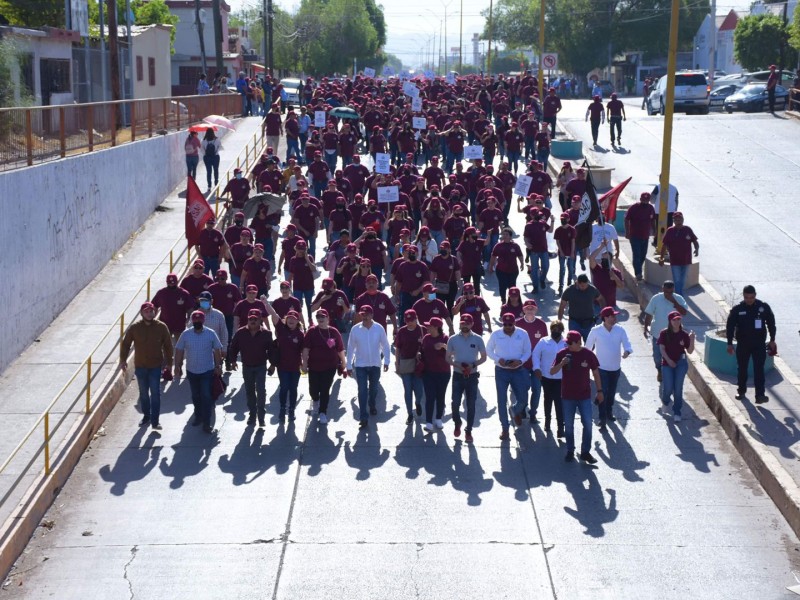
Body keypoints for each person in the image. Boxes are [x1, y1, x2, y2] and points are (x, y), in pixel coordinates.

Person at [550, 330, 603, 464]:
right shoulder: (562, 354)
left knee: (588, 424)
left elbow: (596, 373)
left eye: (570, 343)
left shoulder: (588, 354)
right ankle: (570, 450)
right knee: (568, 425)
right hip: (567, 396)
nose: (567, 346)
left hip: (584, 395)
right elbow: (552, 371)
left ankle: (585, 452)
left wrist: (600, 391)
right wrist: (562, 363)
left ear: (579, 342)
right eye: (566, 343)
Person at [120, 302, 174, 430]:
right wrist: (123, 360)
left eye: (151, 311)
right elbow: (126, 344)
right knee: (143, 393)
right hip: (140, 366)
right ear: (141, 313)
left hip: (155, 366)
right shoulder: (135, 328)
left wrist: (169, 364)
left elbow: (168, 346)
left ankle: (155, 421)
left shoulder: (161, 327)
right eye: (146, 312)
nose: (149, 314)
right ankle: (146, 416)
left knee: (155, 393)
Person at [174, 311, 224, 434]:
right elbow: (179, 350)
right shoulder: (186, 334)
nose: (197, 322)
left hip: (207, 370)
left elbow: (217, 349)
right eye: (195, 320)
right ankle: (198, 416)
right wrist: (177, 366)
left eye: (199, 320)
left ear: (203, 321)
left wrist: (218, 366)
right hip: (191, 371)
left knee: (206, 396)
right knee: (195, 396)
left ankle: (207, 423)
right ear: (192, 321)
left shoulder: (210, 334)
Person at [725, 285, 777, 404]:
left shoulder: (763, 307)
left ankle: (760, 395)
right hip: (743, 344)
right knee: (742, 369)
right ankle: (741, 391)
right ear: (743, 296)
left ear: (755, 295)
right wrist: (729, 343)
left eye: (752, 297)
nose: (749, 299)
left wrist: (773, 339)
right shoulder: (737, 309)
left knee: (759, 369)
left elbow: (771, 323)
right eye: (747, 297)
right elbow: (730, 326)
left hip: (759, 344)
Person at [585, 306, 632, 430]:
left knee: (611, 393)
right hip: (601, 369)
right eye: (612, 316)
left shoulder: (620, 330)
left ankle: (609, 411)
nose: (614, 318)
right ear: (605, 318)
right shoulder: (595, 331)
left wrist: (627, 351)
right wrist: (587, 363)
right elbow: (587, 348)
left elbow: (627, 343)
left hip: (615, 368)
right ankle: (602, 417)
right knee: (602, 392)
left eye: (615, 316)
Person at [487, 313, 532, 440]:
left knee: (523, 398)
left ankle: (515, 410)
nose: (507, 326)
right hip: (501, 371)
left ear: (514, 323)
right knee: (501, 400)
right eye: (504, 324)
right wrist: (497, 359)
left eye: (509, 324)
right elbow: (489, 350)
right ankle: (505, 428)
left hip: (518, 370)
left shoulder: (523, 334)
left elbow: (528, 350)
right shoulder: (496, 334)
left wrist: (520, 361)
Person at [227, 309, 274, 427]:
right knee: (249, 391)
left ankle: (261, 416)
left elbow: (272, 350)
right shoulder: (240, 332)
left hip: (261, 367)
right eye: (250, 319)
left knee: (261, 391)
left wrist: (273, 365)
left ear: (260, 320)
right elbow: (233, 347)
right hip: (247, 366)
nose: (253, 321)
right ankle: (252, 414)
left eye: (255, 319)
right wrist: (232, 361)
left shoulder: (267, 333)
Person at [346, 305, 391, 428]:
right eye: (362, 314)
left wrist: (387, 361)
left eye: (366, 314)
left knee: (374, 389)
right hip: (360, 365)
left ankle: (372, 404)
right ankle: (363, 417)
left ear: (372, 315)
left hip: (375, 365)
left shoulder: (379, 328)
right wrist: (348, 365)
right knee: (362, 390)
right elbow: (350, 348)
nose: (364, 317)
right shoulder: (355, 329)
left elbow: (385, 345)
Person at [446, 313, 487, 443]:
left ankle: (468, 430)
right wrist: (456, 364)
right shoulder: (452, 339)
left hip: (472, 376)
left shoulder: (478, 339)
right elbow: (447, 357)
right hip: (458, 374)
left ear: (472, 324)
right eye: (462, 323)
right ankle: (457, 422)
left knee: (471, 404)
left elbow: (484, 357)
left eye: (467, 323)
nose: (464, 325)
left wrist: (473, 365)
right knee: (455, 403)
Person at [301, 309, 346, 425]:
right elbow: (305, 349)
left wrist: (344, 364)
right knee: (313, 389)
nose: (320, 319)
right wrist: (304, 364)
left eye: (323, 316)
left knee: (325, 389)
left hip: (330, 366)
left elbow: (340, 349)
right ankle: (315, 400)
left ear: (328, 319)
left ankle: (323, 412)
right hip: (314, 366)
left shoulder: (334, 332)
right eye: (318, 317)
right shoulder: (312, 332)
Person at [643, 280, 688, 383]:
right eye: (666, 292)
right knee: (657, 357)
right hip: (657, 334)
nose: (668, 294)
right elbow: (649, 314)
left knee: (673, 356)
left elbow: (684, 312)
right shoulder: (656, 298)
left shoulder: (679, 299)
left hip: (674, 335)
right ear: (662, 289)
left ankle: (670, 375)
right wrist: (646, 328)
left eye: (671, 292)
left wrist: (674, 302)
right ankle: (660, 370)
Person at [657, 311, 695, 422]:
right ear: (670, 321)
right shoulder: (664, 333)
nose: (677, 321)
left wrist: (692, 339)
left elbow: (690, 351)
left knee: (678, 388)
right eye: (674, 320)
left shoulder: (684, 334)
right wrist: (669, 361)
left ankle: (677, 411)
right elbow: (662, 349)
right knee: (668, 388)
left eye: (678, 319)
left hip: (681, 363)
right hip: (667, 363)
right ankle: (665, 401)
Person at [532, 320, 567, 437]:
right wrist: (536, 368)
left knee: (559, 401)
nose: (555, 331)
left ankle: (560, 427)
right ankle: (547, 420)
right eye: (553, 329)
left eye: (558, 329)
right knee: (548, 399)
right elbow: (536, 354)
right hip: (546, 376)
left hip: (561, 377)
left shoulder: (566, 343)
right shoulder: (544, 341)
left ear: (562, 330)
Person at [516, 299, 548, 422]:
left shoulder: (541, 324)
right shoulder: (517, 324)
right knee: (523, 389)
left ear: (536, 310)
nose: (530, 310)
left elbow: (546, 343)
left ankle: (533, 413)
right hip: (522, 364)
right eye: (527, 308)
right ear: (523, 310)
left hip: (537, 365)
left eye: (532, 308)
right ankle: (522, 409)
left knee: (537, 390)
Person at [271, 309, 305, 422]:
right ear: (286, 320)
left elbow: (304, 351)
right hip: (282, 366)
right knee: (284, 387)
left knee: (293, 388)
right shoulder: (281, 329)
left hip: (295, 367)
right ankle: (282, 408)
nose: (291, 320)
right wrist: (266, 303)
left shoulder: (300, 335)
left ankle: (291, 410)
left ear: (297, 322)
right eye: (289, 318)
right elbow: (274, 314)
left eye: (294, 319)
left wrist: (304, 364)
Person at [419, 317, 451, 432]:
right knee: (429, 397)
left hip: (443, 372)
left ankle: (438, 418)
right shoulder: (426, 338)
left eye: (430, 326)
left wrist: (443, 346)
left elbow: (453, 353)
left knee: (440, 396)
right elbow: (422, 351)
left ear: (436, 327)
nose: (427, 327)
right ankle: (428, 422)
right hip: (428, 372)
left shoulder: (445, 338)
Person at [657, 211, 698, 298]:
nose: (678, 221)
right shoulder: (670, 230)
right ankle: (680, 297)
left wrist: (697, 249)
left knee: (682, 280)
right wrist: (661, 257)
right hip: (675, 260)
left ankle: (678, 296)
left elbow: (694, 240)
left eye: (680, 219)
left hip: (686, 260)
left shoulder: (687, 229)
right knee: (677, 280)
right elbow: (664, 244)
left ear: (683, 220)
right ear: (674, 221)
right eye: (676, 220)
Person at [395, 309, 425, 424]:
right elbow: (398, 348)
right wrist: (397, 363)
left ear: (416, 319)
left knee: (419, 390)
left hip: (418, 364)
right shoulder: (402, 331)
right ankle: (410, 414)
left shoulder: (422, 329)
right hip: (405, 363)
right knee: (407, 390)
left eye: (411, 320)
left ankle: (417, 403)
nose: (409, 323)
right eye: (407, 321)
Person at [557, 274, 604, 341]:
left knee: (590, 345)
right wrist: (559, 321)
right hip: (574, 322)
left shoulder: (592, 289)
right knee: (572, 344)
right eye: (582, 286)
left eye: (586, 285)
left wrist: (603, 312)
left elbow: (601, 299)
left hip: (589, 322)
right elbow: (562, 306)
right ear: (577, 283)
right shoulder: (569, 290)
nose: (584, 287)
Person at [489, 227, 525, 304]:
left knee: (512, 287)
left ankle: (512, 302)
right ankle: (503, 300)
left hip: (513, 270)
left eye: (506, 234)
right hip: (501, 270)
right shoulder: (498, 246)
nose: (504, 236)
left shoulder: (515, 246)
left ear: (510, 236)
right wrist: (491, 266)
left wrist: (522, 263)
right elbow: (493, 256)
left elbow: (520, 255)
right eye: (503, 234)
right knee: (502, 286)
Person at [624, 192, 656, 281]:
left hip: (645, 236)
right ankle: (638, 273)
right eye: (643, 200)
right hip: (634, 236)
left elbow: (653, 220)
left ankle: (638, 269)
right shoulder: (634, 208)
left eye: (647, 200)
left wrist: (655, 230)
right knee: (637, 255)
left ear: (649, 200)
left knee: (643, 255)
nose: (645, 202)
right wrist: (627, 232)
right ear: (640, 199)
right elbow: (626, 219)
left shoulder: (650, 208)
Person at [554, 212, 576, 295]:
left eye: (564, 219)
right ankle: (561, 285)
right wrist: (561, 252)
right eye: (562, 219)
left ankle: (569, 283)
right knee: (562, 269)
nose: (563, 220)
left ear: (568, 219)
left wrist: (572, 253)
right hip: (562, 253)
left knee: (570, 269)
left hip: (570, 252)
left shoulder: (572, 229)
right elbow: (558, 242)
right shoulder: (558, 230)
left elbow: (573, 241)